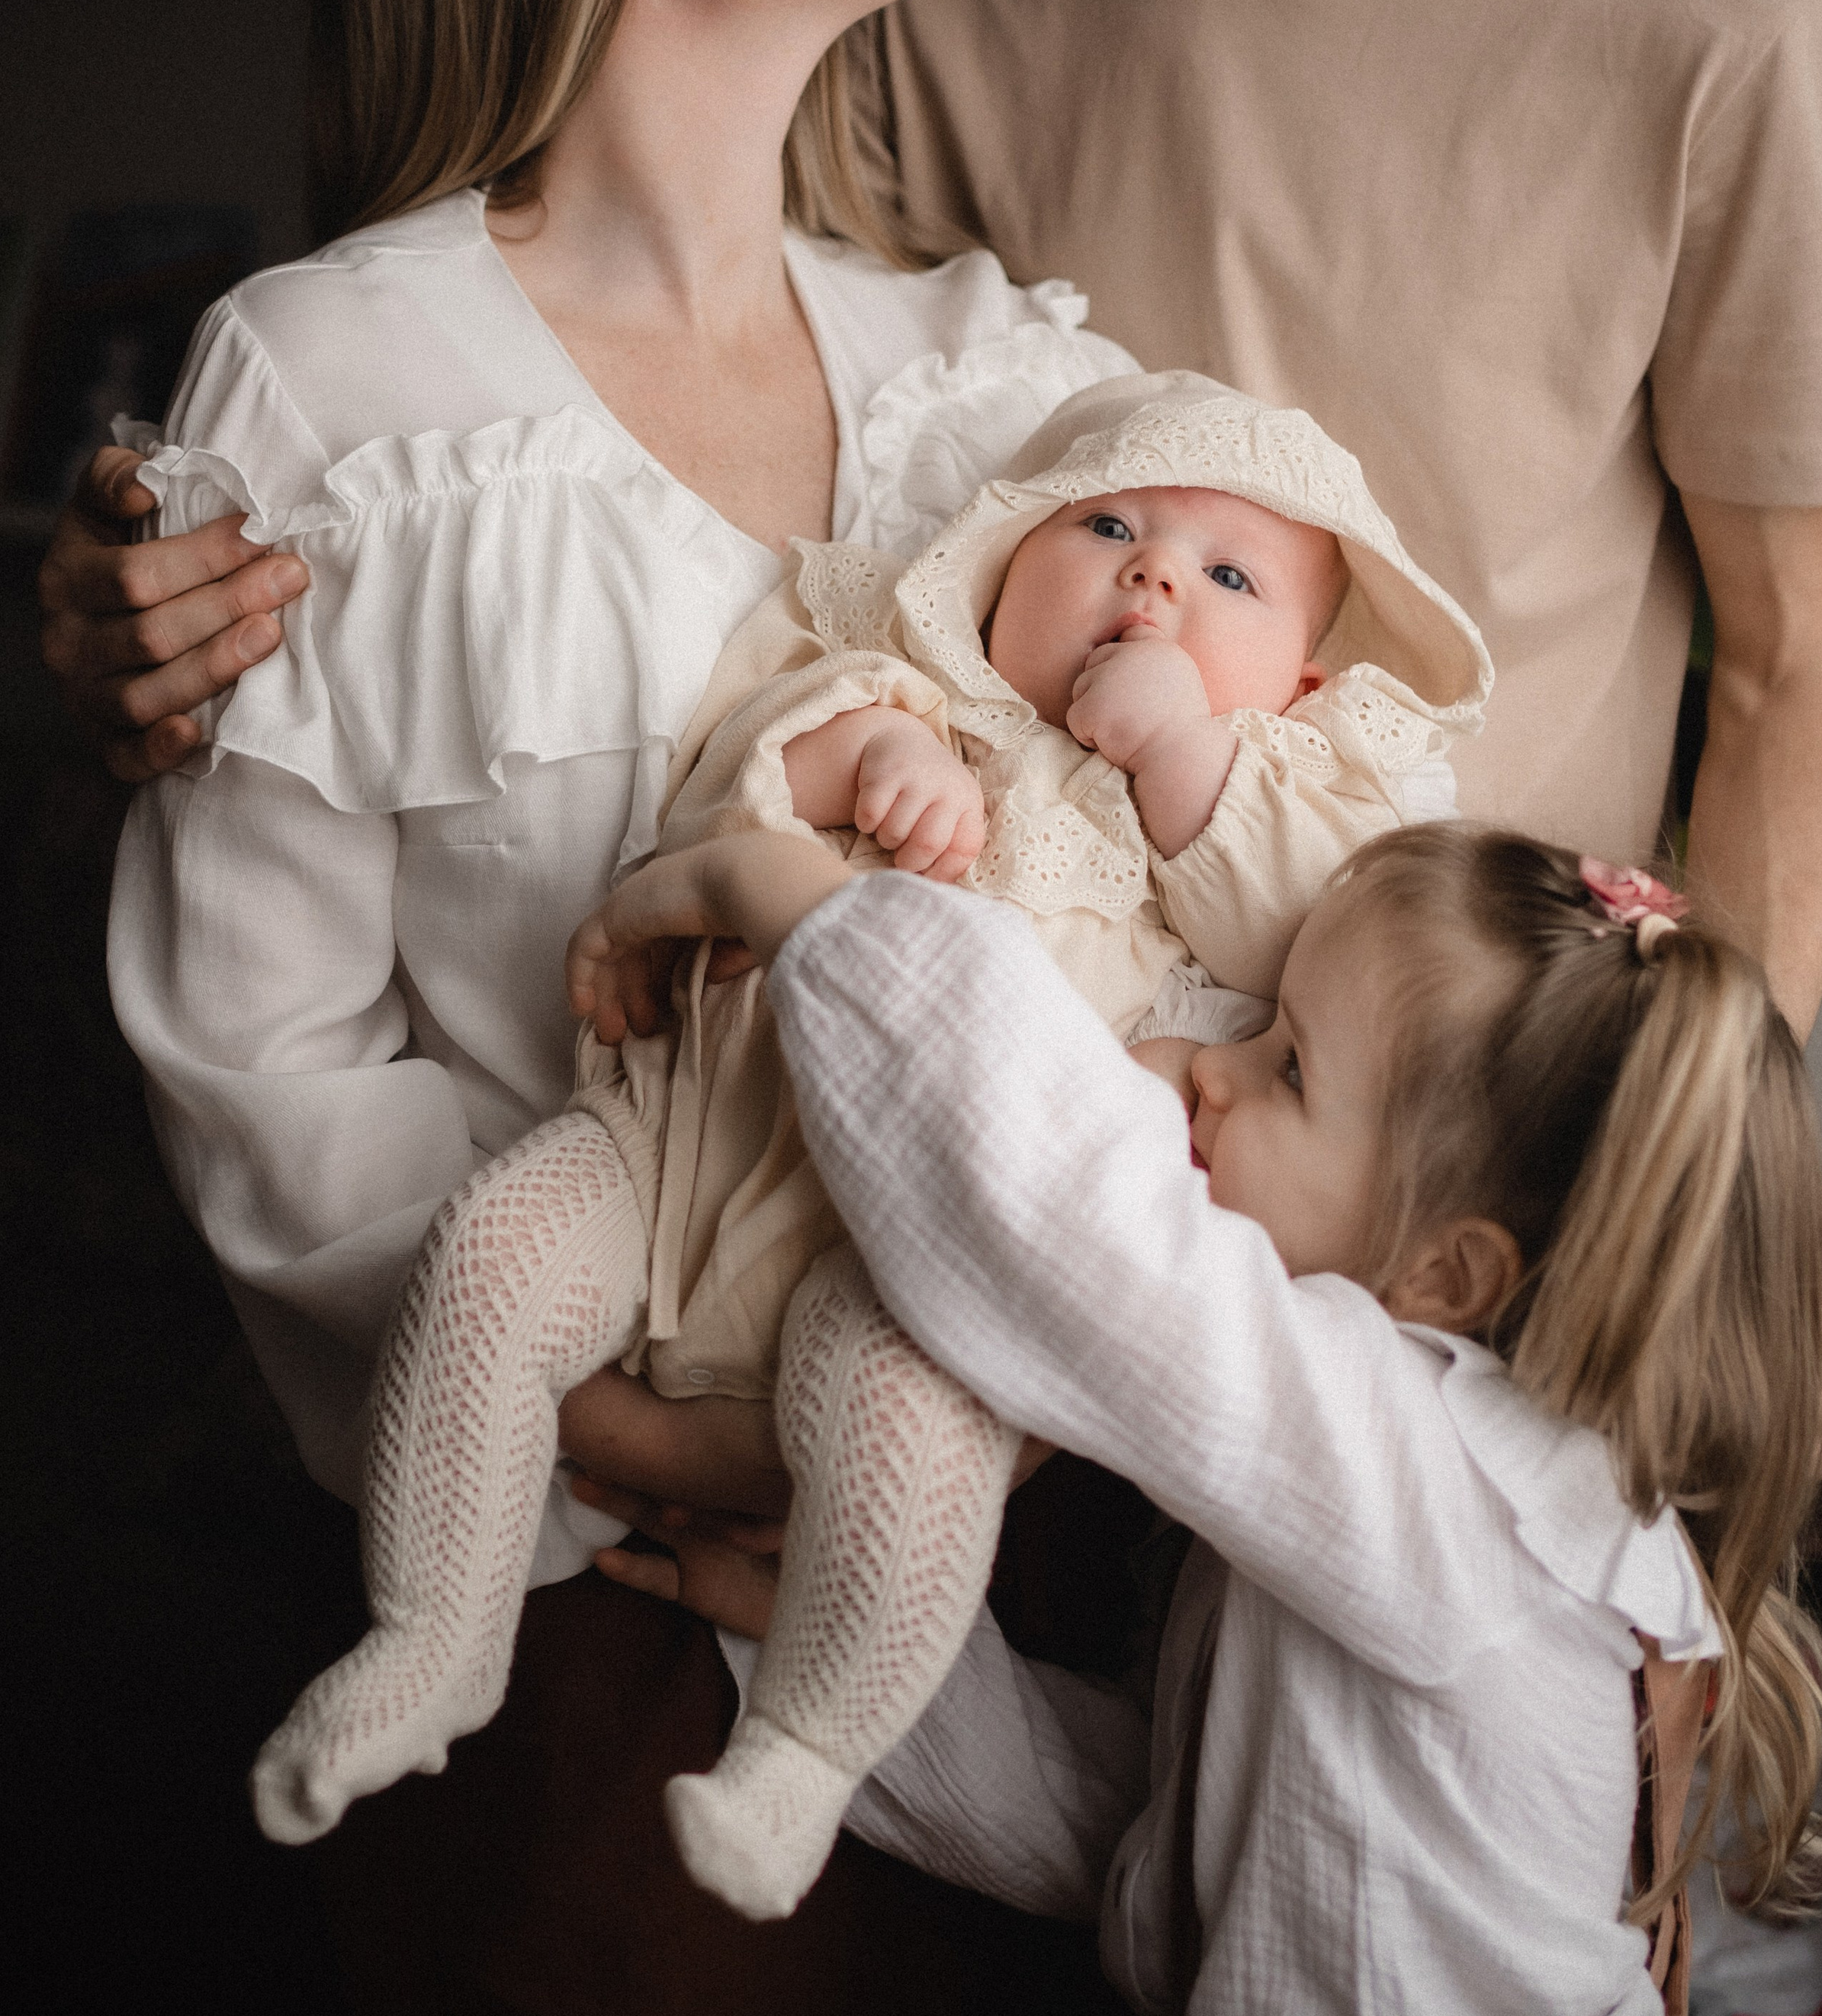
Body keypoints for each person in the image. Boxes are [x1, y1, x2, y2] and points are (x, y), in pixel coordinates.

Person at [38, 0, 1822, 1467]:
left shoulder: (1719, 7)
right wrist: (187, 589)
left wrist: (1711, 1153)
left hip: (1470, 1239)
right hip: (1026, 1211)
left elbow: (1805, 668)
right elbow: (613, 387)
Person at [97, 0, 1182, 2016]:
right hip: (579, 1619)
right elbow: (257, 1059)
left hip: (1020, 1553)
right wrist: (623, 1438)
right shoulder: (335, 372)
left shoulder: (993, 378)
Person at [244, 368, 1489, 1921]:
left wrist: (1180, 756)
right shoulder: (892, 675)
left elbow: (1300, 910)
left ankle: (806, 1752)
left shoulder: (1238, 860)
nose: (1155, 572)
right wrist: (855, 767)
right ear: (998, 563)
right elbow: (720, 791)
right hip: (667, 1152)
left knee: (913, 1443)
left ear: (1297, 689)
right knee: (485, 1261)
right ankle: (428, 1636)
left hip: (902, 1266)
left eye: (1226, 577)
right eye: (1107, 523)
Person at [570, 816, 1822, 2016]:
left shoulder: (1451, 1484)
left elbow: (1082, 1227)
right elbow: (1180, 1835)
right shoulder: (1474, 1507)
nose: (1217, 1074)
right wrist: (849, 1638)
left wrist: (799, 898)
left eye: (1289, 1065)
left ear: (1449, 1273)